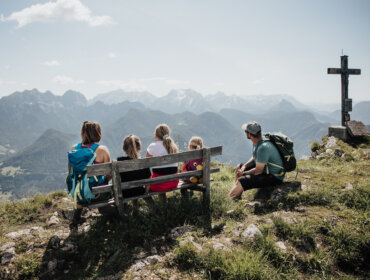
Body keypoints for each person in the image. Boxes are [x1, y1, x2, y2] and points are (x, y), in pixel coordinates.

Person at [67, 121, 111, 228]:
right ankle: (108, 216)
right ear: (98, 133)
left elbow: (70, 172)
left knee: (79, 181)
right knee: (103, 184)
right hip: (97, 195)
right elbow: (109, 174)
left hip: (79, 193)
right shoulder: (102, 150)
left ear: (83, 133)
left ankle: (76, 216)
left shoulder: (74, 149)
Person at [229, 121, 284, 200]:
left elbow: (258, 171)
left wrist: (243, 173)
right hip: (267, 169)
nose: (245, 133)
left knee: (242, 180)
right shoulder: (260, 140)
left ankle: (229, 199)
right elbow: (255, 156)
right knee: (239, 167)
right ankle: (237, 194)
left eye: (246, 131)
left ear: (249, 134)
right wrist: (244, 166)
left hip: (274, 177)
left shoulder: (263, 148)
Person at [146, 124, 179, 197]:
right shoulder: (174, 146)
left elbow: (146, 162)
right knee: (162, 176)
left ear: (156, 135)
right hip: (174, 182)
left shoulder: (153, 146)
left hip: (159, 184)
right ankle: (163, 204)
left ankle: (155, 206)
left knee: (145, 188)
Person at [117, 134, 151, 206]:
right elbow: (148, 179)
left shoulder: (119, 161)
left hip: (125, 192)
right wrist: (146, 192)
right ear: (139, 148)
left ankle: (134, 209)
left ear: (124, 149)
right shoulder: (143, 161)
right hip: (139, 191)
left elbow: (118, 179)